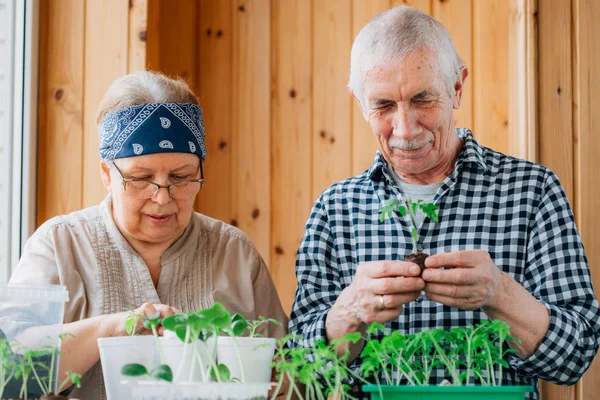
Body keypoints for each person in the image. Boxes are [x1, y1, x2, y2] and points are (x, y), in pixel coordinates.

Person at [288, 6, 600, 400]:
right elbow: (300, 372)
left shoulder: (532, 191)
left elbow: (576, 356)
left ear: (456, 87)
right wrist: (349, 313)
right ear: (358, 101)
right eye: (383, 106)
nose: (405, 128)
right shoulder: (335, 211)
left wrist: (500, 295)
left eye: (422, 98)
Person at [4, 71, 288, 399]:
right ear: (107, 173)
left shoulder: (234, 253)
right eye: (141, 178)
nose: (163, 197)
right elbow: (11, 373)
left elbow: (287, 377)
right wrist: (111, 328)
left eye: (182, 177)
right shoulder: (58, 246)